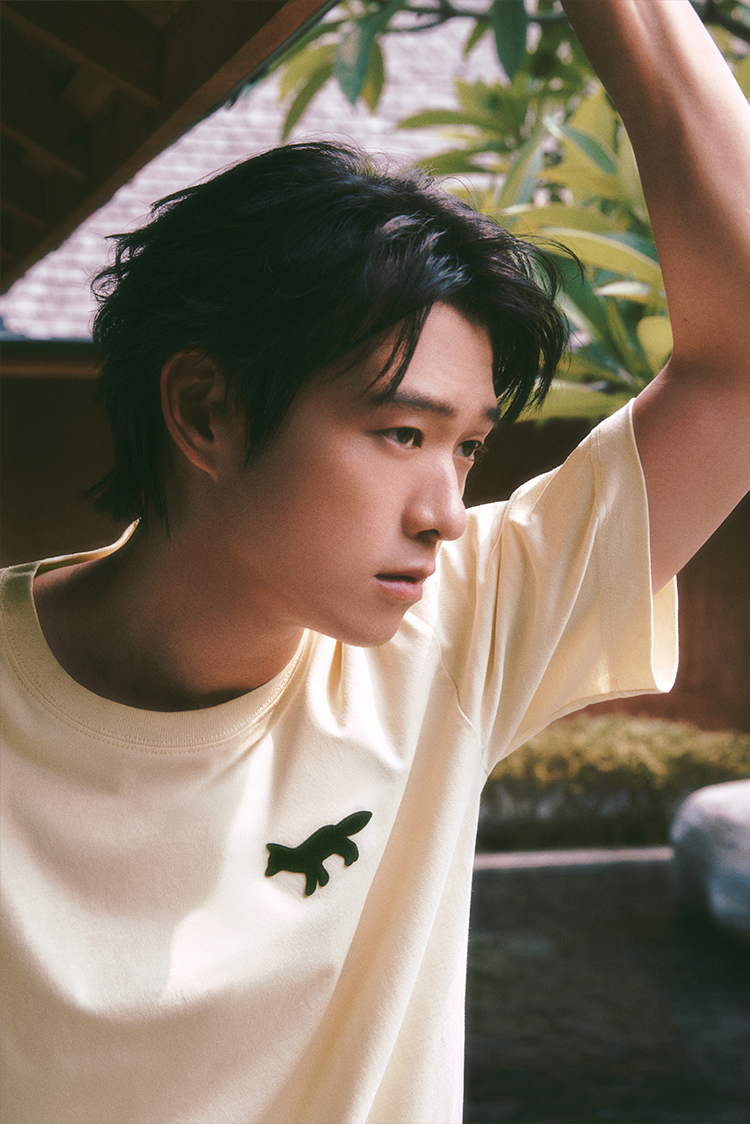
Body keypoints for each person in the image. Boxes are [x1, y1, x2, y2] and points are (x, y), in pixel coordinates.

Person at [1, 1, 748, 1121]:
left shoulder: (458, 628)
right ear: (203, 409)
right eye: (402, 433)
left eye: (469, 447)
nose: (446, 514)